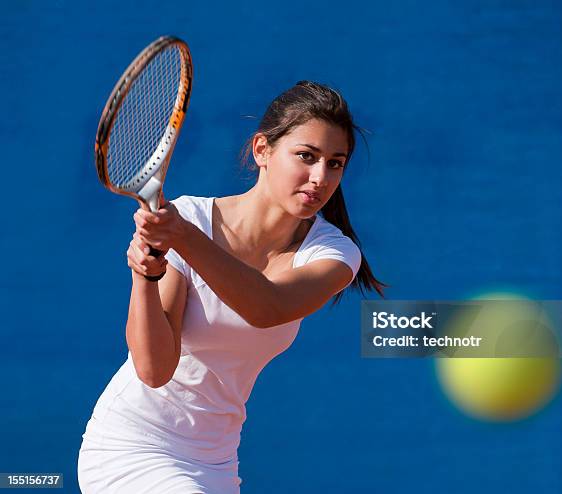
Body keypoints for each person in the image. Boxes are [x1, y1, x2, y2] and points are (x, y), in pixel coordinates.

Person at [77, 80, 385, 493]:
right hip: (131, 444)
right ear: (262, 150)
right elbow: (154, 370)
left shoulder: (335, 254)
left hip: (216, 461)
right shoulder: (191, 218)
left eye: (335, 162)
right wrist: (145, 276)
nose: (320, 177)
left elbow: (267, 307)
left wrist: (184, 238)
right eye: (306, 157)